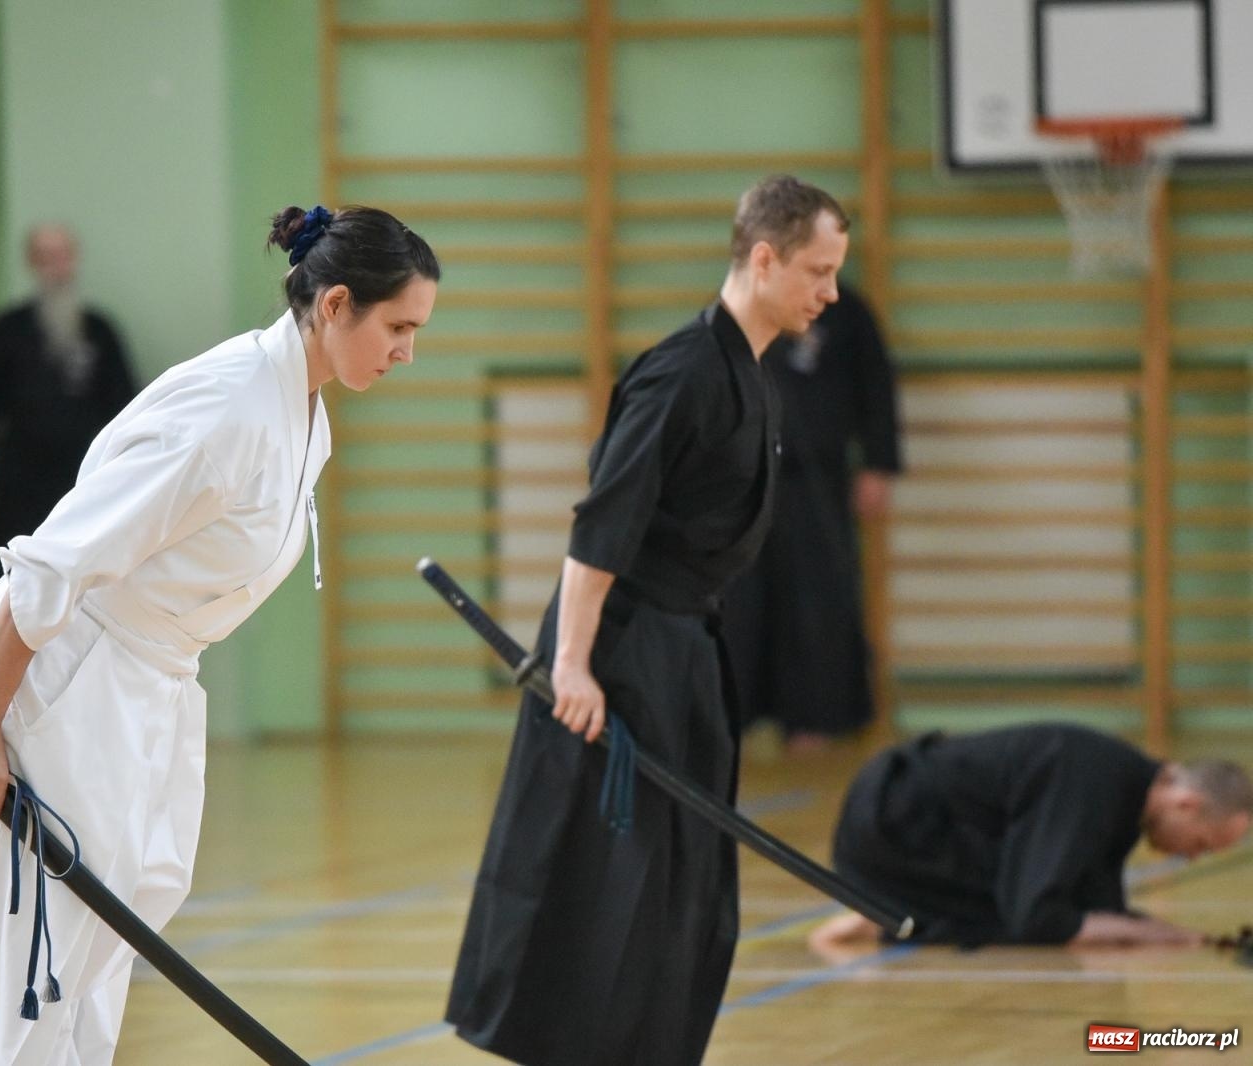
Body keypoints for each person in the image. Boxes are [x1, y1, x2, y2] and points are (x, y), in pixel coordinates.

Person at [0, 205, 439, 1066]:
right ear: (337, 305)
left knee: (82, 959)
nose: (408, 351)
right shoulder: (227, 409)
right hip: (53, 677)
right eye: (400, 327)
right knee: (4, 952)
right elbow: (50, 568)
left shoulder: (305, 416)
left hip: (137, 688)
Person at [446, 175, 850, 1066]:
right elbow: (602, 525)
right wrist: (576, 666)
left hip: (682, 648)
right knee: (606, 876)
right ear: (764, 257)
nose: (830, 292)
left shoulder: (744, 371)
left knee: (684, 883)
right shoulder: (681, 373)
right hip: (620, 653)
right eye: (818, 270)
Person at [811, 723, 1253, 951]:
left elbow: (1094, 909)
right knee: (1026, 914)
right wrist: (1152, 934)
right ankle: (895, 914)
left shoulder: (1123, 790)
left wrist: (1146, 930)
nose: (1192, 858)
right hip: (891, 827)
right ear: (1186, 804)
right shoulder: (1097, 782)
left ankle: (901, 911)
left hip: (908, 826)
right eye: (1201, 844)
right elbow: (1040, 916)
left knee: (1053, 908)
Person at [722, 282, 902, 754]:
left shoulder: (847, 312)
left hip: (819, 480)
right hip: (747, 481)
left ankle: (814, 719)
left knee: (817, 603)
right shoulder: (741, 305)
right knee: (740, 603)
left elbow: (875, 383)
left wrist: (879, 463)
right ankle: (734, 716)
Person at [0, 223, 140, 604]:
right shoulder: (5, 331)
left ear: (74, 260)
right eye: (45, 257)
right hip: (17, 490)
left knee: (80, 594)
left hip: (82, 485)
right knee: (6, 593)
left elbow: (128, 415)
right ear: (31, 263)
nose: (55, 267)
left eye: (61, 256)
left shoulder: (100, 333)